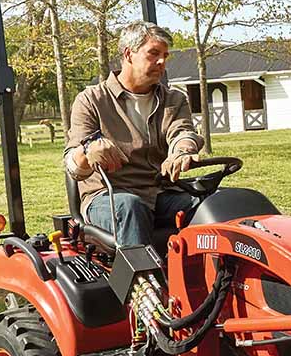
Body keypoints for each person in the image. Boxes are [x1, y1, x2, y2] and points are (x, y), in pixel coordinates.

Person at [64, 21, 205, 247]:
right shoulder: (91, 100)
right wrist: (88, 151)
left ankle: (222, 278)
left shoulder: (174, 99)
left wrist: (181, 152)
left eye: (165, 56)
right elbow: (73, 165)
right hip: (107, 197)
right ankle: (141, 280)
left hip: (160, 192)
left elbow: (182, 133)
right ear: (129, 54)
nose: (162, 62)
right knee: (130, 207)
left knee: (217, 203)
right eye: (153, 54)